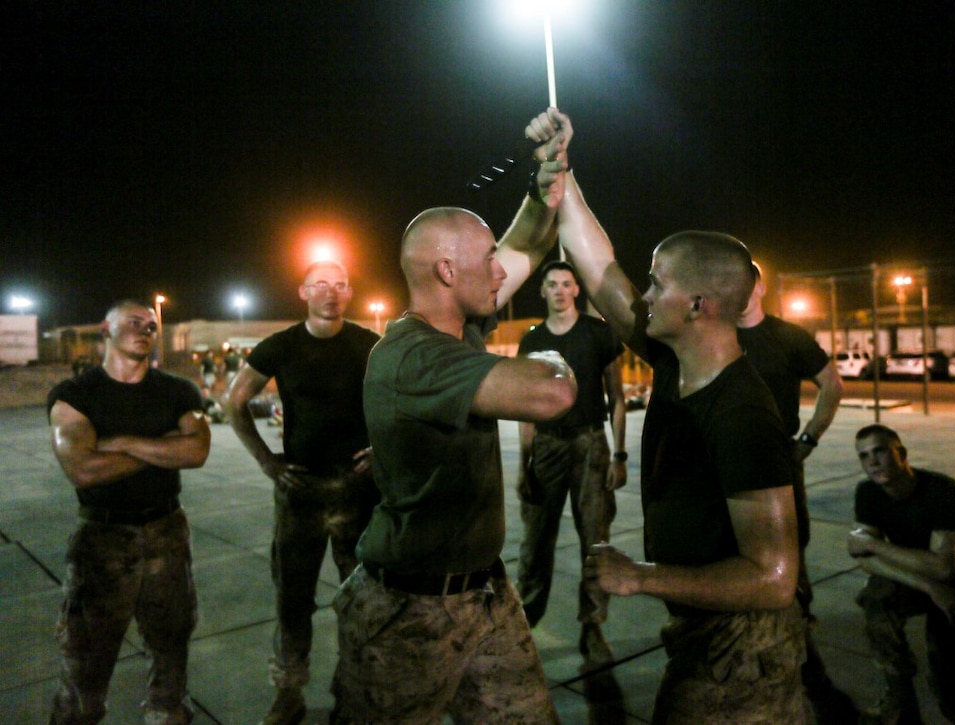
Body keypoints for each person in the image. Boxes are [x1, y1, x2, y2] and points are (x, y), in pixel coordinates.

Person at [331, 108, 576, 724]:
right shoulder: (413, 356)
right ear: (446, 271)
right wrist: (554, 359)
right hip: (408, 613)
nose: (502, 271)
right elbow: (552, 395)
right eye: (485, 260)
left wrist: (544, 175)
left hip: (486, 595)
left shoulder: (463, 324)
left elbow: (527, 242)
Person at [557, 170, 805, 722]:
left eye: (656, 284)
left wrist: (641, 576)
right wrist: (562, 176)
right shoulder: (675, 362)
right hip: (702, 631)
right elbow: (600, 274)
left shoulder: (742, 416)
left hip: (742, 652)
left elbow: (773, 577)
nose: (644, 295)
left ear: (696, 305)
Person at [224, 260, 381, 725]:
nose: (331, 293)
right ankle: (288, 692)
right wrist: (266, 461)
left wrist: (383, 448)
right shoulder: (281, 346)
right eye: (320, 285)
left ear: (350, 292)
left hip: (359, 491)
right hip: (302, 492)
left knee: (362, 601)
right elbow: (234, 401)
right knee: (293, 601)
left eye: (339, 285)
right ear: (302, 292)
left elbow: (399, 398)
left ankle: (353, 692)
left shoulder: (370, 345)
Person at [47, 300, 211, 724]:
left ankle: (166, 714)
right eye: (133, 323)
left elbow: (196, 450)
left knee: (172, 645)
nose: (145, 330)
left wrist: (120, 442)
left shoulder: (178, 390)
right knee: (86, 659)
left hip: (167, 532)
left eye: (151, 325)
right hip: (102, 541)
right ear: (106, 328)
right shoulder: (74, 395)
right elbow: (83, 468)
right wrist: (162, 446)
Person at [736, 261, 851, 721]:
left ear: (761, 287)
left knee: (790, 550)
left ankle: (799, 637)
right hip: (726, 460)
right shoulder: (716, 335)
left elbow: (832, 384)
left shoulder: (788, 337)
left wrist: (807, 439)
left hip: (779, 459)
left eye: (750, 280)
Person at [849, 424, 955, 724]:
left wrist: (872, 543)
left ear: (902, 453)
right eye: (864, 456)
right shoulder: (868, 492)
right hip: (921, 583)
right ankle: (899, 702)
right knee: (877, 597)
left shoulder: (943, 491)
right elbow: (864, 560)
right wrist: (929, 587)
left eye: (880, 451)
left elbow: (944, 568)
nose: (872, 462)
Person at [515, 259, 627, 661]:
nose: (560, 290)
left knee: (595, 539)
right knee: (534, 543)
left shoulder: (599, 334)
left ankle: (593, 625)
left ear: (577, 289)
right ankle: (524, 624)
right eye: (552, 284)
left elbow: (616, 398)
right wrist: (523, 463)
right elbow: (527, 407)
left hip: (590, 445)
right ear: (543, 292)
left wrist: (619, 454)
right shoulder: (531, 341)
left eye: (567, 283)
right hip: (546, 446)